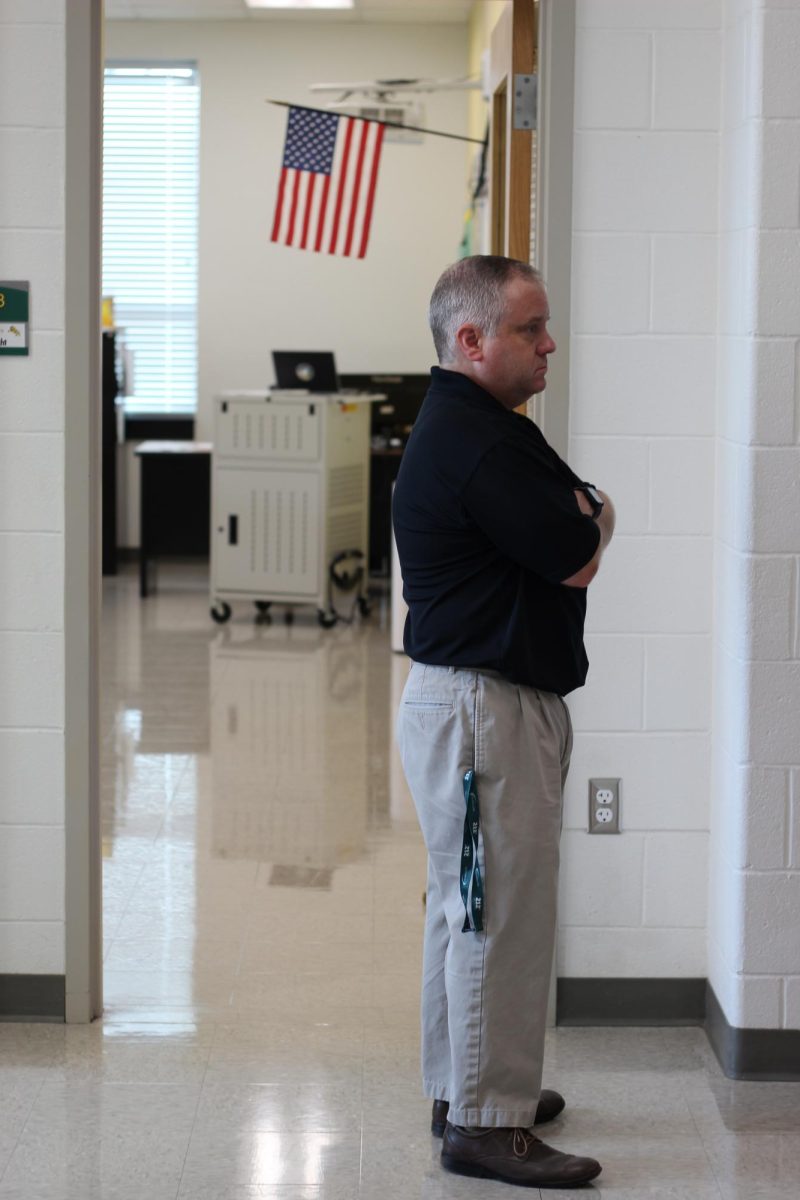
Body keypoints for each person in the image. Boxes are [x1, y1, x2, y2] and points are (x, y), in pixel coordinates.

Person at [392, 255, 614, 1189]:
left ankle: (466, 1087)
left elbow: (578, 520)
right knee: (496, 918)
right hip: (484, 711)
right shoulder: (479, 441)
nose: (549, 343)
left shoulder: (482, 424)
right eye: (531, 328)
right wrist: (594, 517)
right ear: (470, 339)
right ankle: (484, 1124)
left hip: (480, 702)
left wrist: (585, 515)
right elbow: (577, 545)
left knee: (469, 910)